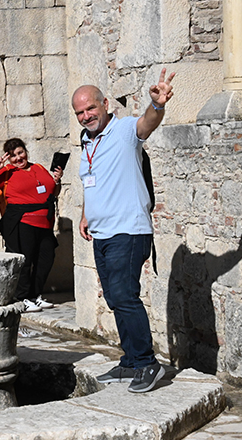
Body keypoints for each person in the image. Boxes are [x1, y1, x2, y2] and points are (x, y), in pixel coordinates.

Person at [74, 68, 175, 393]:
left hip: (128, 231)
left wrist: (156, 104)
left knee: (124, 296)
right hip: (102, 233)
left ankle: (147, 363)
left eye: (90, 108)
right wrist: (86, 215)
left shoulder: (125, 130)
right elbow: (93, 182)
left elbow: (147, 123)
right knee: (116, 299)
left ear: (106, 104)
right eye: (80, 112)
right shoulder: (87, 142)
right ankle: (131, 361)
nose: (86, 115)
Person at [0, 138, 63, 313]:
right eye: (13, 156)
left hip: (45, 223)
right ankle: (22, 297)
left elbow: (52, 192)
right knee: (24, 262)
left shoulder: (39, 168)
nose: (18, 158)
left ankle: (35, 295)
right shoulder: (7, 172)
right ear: (8, 159)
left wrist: (57, 181)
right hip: (22, 222)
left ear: (25, 151)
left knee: (45, 259)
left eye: (20, 153)